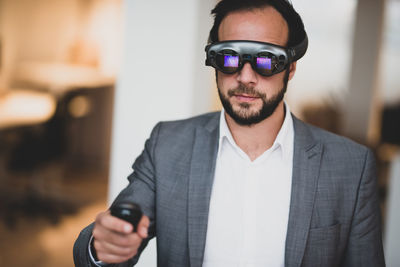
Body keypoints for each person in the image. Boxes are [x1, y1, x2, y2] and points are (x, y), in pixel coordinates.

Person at [73, 0, 385, 266]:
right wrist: (104, 246)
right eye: (229, 57)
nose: (245, 76)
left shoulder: (350, 167)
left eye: (266, 60)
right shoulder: (167, 146)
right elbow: (97, 244)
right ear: (214, 61)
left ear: (290, 67)